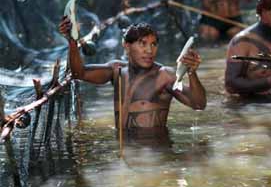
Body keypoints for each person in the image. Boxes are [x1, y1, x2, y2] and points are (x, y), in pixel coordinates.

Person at [59, 18, 206, 136]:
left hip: (155, 156)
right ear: (126, 45)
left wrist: (191, 72)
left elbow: (199, 105)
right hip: (124, 155)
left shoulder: (164, 75)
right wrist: (72, 41)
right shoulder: (117, 70)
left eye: (154, 44)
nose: (149, 50)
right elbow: (79, 73)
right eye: (143, 44)